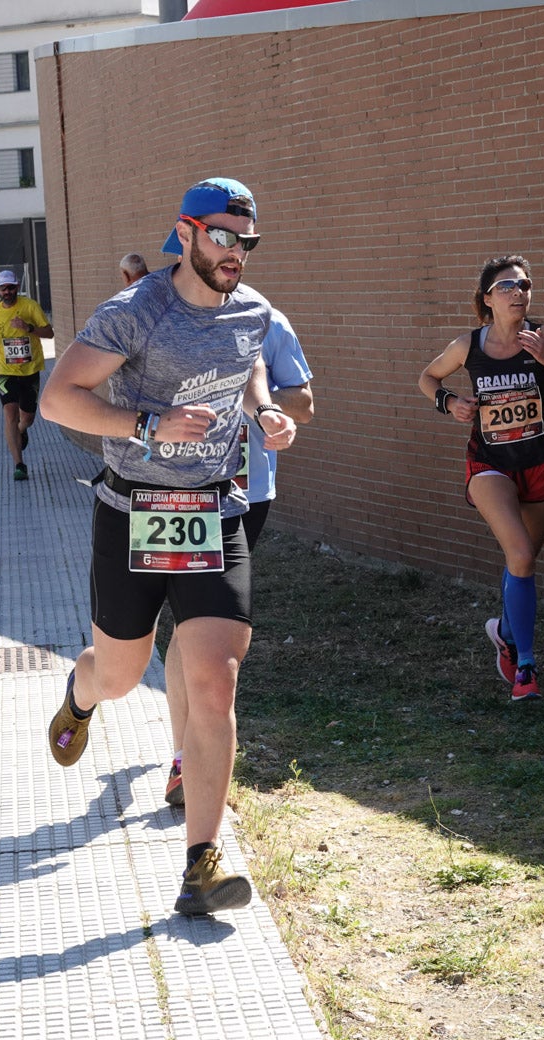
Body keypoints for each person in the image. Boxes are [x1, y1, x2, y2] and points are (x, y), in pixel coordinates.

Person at [40, 177, 296, 915]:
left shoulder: (251, 310)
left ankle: (202, 863)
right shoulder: (136, 311)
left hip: (213, 511)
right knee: (120, 675)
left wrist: (265, 408)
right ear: (184, 232)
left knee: (214, 678)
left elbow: (245, 361)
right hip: (134, 510)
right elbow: (60, 400)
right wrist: (148, 425)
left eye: (246, 241)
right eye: (222, 236)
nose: (235, 253)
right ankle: (80, 697)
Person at [165, 308, 314, 807]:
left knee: (213, 626)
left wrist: (261, 400)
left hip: (247, 494)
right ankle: (185, 759)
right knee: (190, 622)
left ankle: (197, 751)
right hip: (180, 492)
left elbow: (307, 404)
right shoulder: (161, 316)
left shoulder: (268, 321)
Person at [419, 254, 544, 701]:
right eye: (508, 286)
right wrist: (448, 402)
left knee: (523, 562)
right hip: (489, 464)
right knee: (519, 553)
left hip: (540, 461)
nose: (519, 292)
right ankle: (525, 667)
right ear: (487, 299)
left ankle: (504, 631)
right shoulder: (469, 346)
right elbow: (428, 376)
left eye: (525, 285)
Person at [0, 270, 54, 481]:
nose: (7, 292)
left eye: (11, 287)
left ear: (17, 287)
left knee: (28, 418)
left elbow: (49, 333)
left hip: (30, 370)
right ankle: (19, 464)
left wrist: (28, 327)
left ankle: (21, 430)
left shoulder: (29, 306)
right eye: (3, 288)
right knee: (9, 414)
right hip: (5, 372)